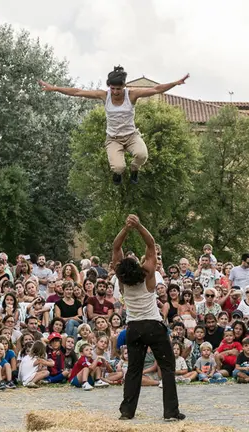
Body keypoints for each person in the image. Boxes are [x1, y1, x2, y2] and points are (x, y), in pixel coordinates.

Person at [39, 66, 190, 184]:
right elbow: (78, 92)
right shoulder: (104, 95)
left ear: (124, 86)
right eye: (113, 88)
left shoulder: (132, 95)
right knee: (119, 168)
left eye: (119, 89)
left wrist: (175, 83)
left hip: (131, 136)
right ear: (109, 86)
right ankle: (117, 174)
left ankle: (134, 169)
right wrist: (55, 88)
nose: (116, 92)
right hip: (113, 139)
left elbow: (156, 89)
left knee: (142, 155)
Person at [113, 215, 183, 421]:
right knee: (168, 367)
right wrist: (138, 226)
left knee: (134, 370)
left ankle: (127, 412)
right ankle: (170, 412)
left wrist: (126, 229)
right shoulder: (148, 274)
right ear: (137, 265)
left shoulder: (122, 279)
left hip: (133, 328)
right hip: (153, 325)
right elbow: (151, 244)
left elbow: (116, 248)